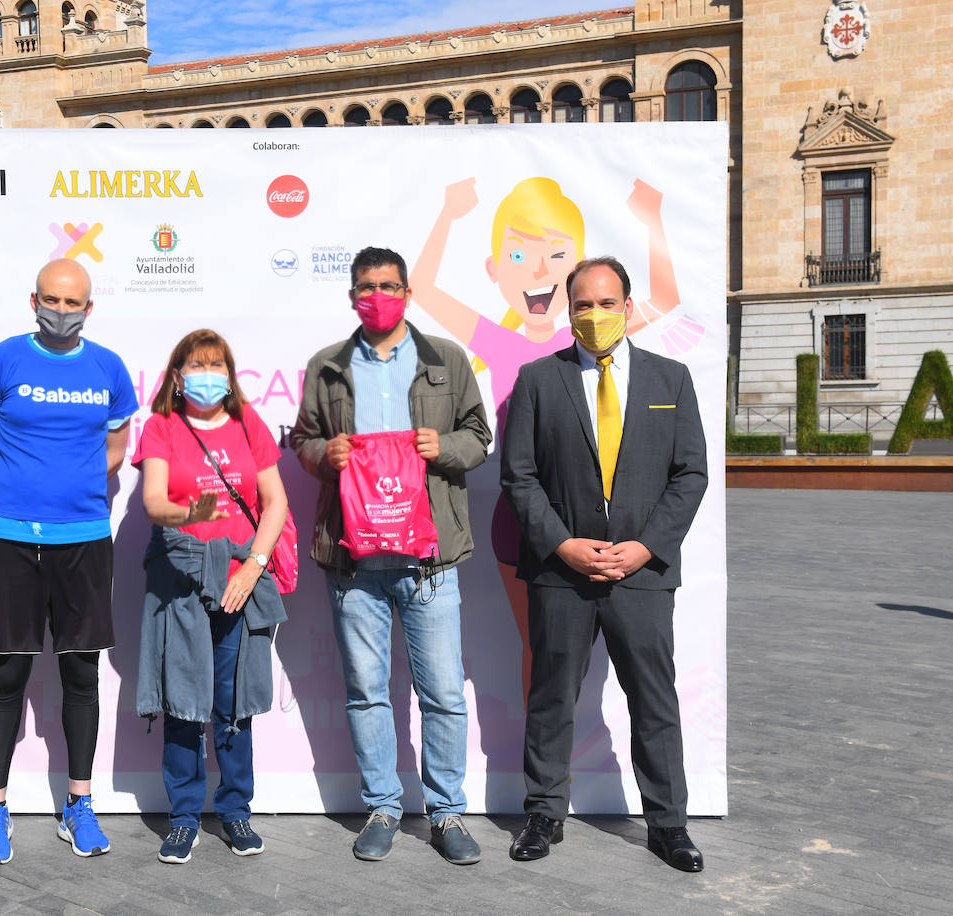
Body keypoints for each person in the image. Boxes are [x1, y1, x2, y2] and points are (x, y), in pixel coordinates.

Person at [410, 175, 694, 694]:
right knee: (543, 667)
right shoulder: (510, 351)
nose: (538, 269)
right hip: (534, 535)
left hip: (630, 548)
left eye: (554, 254)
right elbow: (422, 290)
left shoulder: (625, 353)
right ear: (495, 269)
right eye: (519, 255)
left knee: (645, 690)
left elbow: (665, 298)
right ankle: (542, 768)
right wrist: (448, 215)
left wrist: (653, 219)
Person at [500, 255, 708, 871]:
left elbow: (690, 474)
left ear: (628, 305)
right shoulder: (538, 379)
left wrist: (646, 546)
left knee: (654, 701)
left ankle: (667, 824)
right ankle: (543, 814)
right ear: (568, 311)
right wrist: (562, 544)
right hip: (561, 571)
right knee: (551, 696)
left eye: (606, 302)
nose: (594, 314)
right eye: (582, 304)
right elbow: (520, 477)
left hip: (641, 572)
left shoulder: (671, 380)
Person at [290, 246, 492, 865]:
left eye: (389, 285)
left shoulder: (446, 360)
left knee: (443, 697)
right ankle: (381, 805)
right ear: (352, 295)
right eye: (365, 287)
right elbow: (301, 438)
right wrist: (325, 455)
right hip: (355, 562)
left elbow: (480, 437)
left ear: (408, 291)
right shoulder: (327, 365)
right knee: (366, 691)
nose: (377, 295)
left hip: (428, 561)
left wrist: (445, 446)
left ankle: (447, 814)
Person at [0, 258, 138, 865]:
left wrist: (75, 485)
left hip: (84, 538)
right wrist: (10, 496)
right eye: (52, 300)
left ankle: (79, 805)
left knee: (80, 676)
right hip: (10, 539)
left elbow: (117, 446)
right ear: (33, 299)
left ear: (89, 308)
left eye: (73, 303)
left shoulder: (109, 368)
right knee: (7, 675)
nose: (61, 311)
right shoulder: (1, 359)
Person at [133, 329, 289, 864]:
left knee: (233, 702)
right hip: (178, 573)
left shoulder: (249, 425)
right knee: (183, 701)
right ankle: (182, 816)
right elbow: (154, 500)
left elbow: (275, 503)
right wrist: (189, 515)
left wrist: (253, 565)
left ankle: (236, 809)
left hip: (238, 574)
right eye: (196, 366)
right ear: (177, 376)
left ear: (230, 374)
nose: (207, 375)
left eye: (217, 365)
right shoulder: (161, 427)